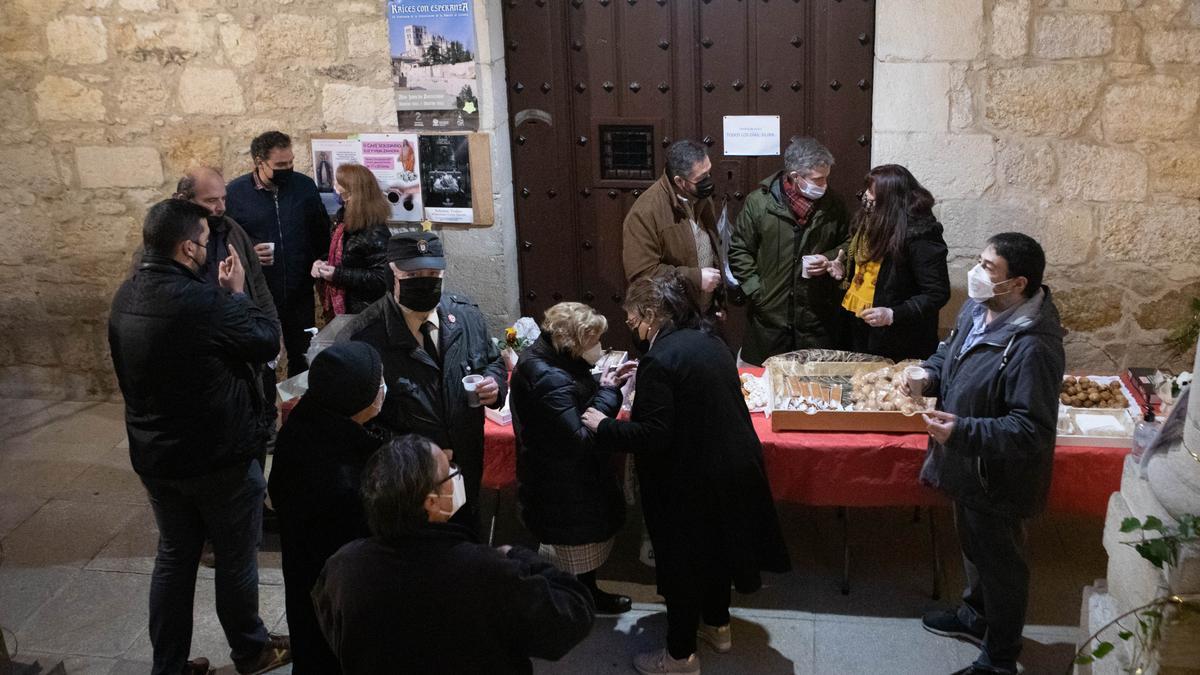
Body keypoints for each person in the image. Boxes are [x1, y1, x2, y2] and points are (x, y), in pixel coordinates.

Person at [108, 199, 289, 675]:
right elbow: (266, 338)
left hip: (157, 456)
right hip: (218, 458)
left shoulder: (126, 296)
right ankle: (250, 650)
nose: (210, 252)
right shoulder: (207, 303)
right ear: (188, 247)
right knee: (234, 559)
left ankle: (168, 666)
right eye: (206, 244)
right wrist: (236, 292)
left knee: (174, 558)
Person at [582, 274, 791, 675]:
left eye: (631, 319)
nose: (632, 328)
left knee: (681, 565)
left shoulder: (660, 359)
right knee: (716, 553)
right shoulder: (708, 339)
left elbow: (654, 436)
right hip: (731, 469)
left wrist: (602, 426)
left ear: (649, 314)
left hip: (691, 482)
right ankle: (718, 626)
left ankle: (679, 657)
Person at [904, 233, 1066, 675]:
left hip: (998, 475)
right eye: (979, 261)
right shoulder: (980, 308)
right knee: (974, 548)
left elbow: (1030, 428)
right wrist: (927, 376)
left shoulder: (1033, 345)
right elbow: (949, 353)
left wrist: (962, 429)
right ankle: (976, 617)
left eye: (988, 267)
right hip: (967, 465)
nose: (976, 273)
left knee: (1002, 566)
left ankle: (999, 658)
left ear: (1017, 283)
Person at [311, 435, 595, 675]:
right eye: (449, 471)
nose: (455, 474)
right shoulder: (486, 571)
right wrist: (521, 557)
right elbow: (573, 615)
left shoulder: (343, 567)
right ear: (431, 502)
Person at [343, 231, 507, 531]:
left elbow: (492, 360)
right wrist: (419, 455)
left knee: (468, 539)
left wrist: (494, 385)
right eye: (413, 274)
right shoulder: (367, 336)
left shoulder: (465, 315)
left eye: (433, 273)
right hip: (411, 481)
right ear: (391, 273)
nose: (425, 280)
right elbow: (359, 421)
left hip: (466, 465)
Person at [509, 302, 638, 615]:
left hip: (562, 480)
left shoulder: (550, 359)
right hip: (564, 484)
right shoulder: (549, 378)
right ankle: (572, 608)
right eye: (593, 342)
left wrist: (602, 383)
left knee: (577, 552)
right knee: (572, 551)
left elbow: (574, 397)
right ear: (572, 343)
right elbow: (580, 439)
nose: (599, 348)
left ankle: (584, 594)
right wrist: (609, 393)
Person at [267, 342, 388, 675]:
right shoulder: (340, 480)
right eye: (378, 383)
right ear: (357, 397)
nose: (383, 388)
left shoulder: (310, 419)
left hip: (306, 580)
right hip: (337, 595)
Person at [728, 136, 851, 366]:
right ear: (795, 177)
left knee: (812, 392)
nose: (823, 185)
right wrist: (758, 293)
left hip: (816, 319)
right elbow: (739, 250)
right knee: (764, 389)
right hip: (769, 321)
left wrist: (829, 258)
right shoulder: (759, 203)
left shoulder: (833, 204)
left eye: (826, 178)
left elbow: (848, 244)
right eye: (818, 179)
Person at [226, 130, 331, 377]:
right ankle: (267, 411)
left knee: (303, 355)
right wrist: (248, 253)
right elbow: (225, 240)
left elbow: (320, 232)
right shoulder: (236, 194)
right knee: (263, 357)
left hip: (299, 291)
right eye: (280, 165)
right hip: (259, 293)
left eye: (291, 162)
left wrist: (321, 263)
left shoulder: (304, 187)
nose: (288, 168)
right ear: (259, 163)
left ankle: (298, 410)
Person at [835, 164, 950, 361]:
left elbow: (937, 293)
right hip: (863, 324)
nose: (866, 196)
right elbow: (867, 264)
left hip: (898, 337)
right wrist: (844, 268)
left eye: (871, 192)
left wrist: (892, 314)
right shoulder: (872, 220)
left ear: (889, 199)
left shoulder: (920, 234)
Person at [623, 139, 725, 317]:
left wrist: (717, 300)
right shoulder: (646, 211)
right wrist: (695, 278)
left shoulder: (701, 198)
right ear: (679, 181)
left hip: (703, 312)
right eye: (701, 178)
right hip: (671, 316)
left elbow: (707, 248)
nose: (708, 181)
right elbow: (643, 274)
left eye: (709, 173)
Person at [311, 163, 392, 318]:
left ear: (351, 193)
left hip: (365, 312)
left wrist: (338, 275)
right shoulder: (341, 220)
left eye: (339, 184)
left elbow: (382, 278)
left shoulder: (375, 231)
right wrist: (321, 263)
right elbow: (340, 256)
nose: (335, 188)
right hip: (345, 310)